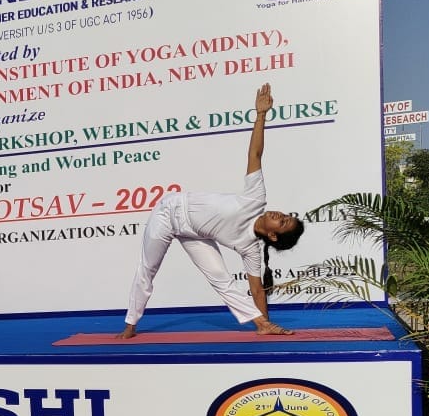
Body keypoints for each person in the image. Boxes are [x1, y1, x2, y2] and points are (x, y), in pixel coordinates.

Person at [117, 83, 304, 339]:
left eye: (282, 223)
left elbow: (256, 289)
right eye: (285, 215)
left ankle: (262, 325)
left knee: (220, 278)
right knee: (148, 268)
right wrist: (261, 115)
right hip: (167, 213)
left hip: (195, 234)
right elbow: (255, 154)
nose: (280, 215)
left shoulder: (250, 248)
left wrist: (267, 320)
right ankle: (131, 324)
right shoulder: (255, 199)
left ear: (272, 236)